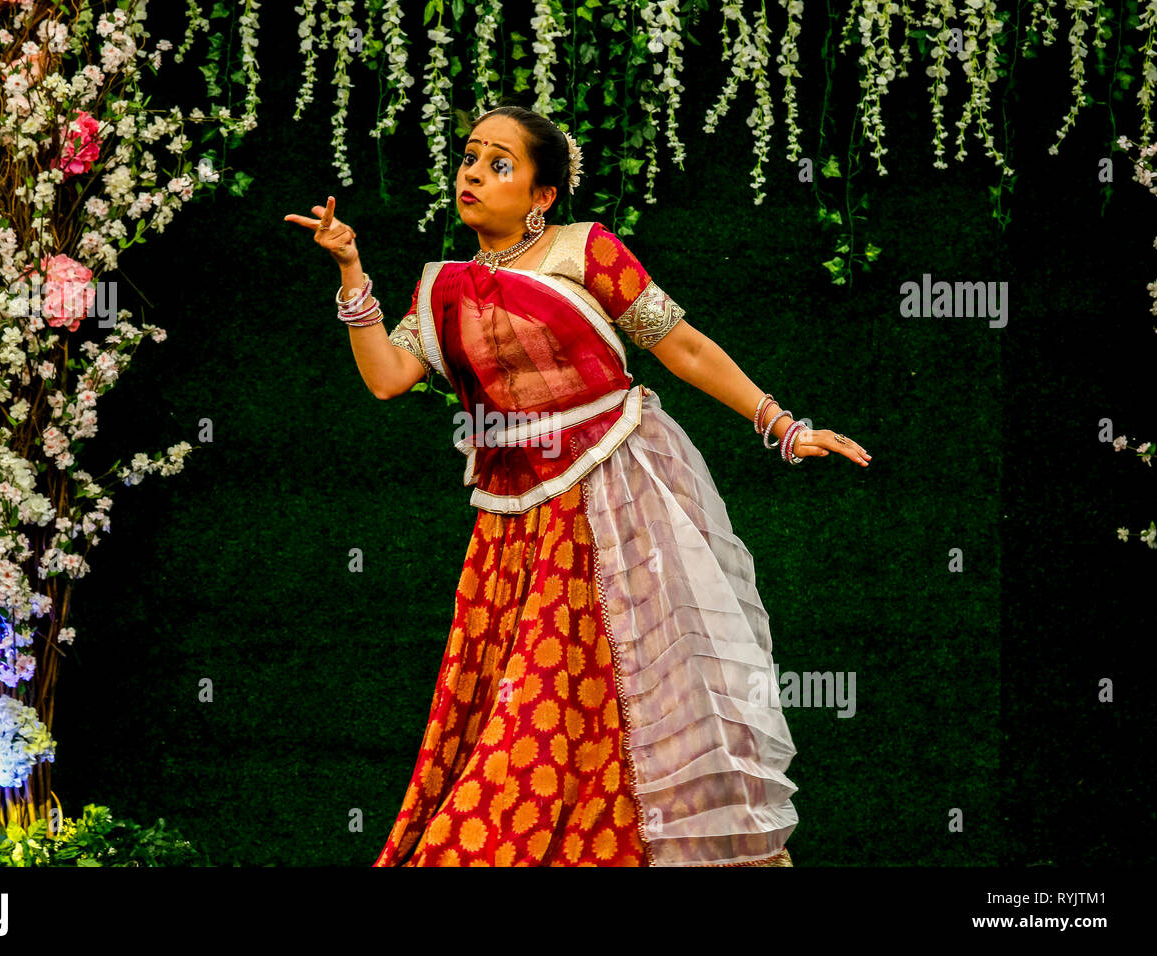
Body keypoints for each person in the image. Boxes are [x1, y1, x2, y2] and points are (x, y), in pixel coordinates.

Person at [285, 105, 871, 867]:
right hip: (510, 532)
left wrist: (782, 424)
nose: (473, 173)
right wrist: (351, 272)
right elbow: (388, 378)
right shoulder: (442, 289)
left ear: (542, 195)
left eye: (500, 164)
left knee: (618, 705)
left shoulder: (582, 251)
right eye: (469, 158)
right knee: (529, 712)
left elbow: (683, 347)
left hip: (613, 508)